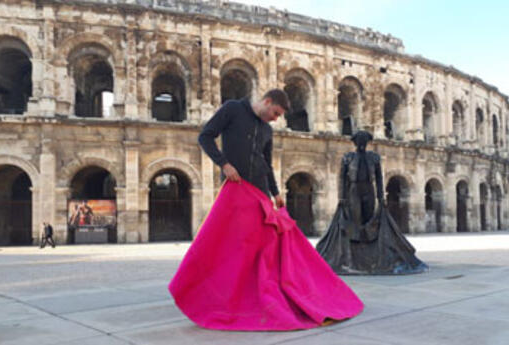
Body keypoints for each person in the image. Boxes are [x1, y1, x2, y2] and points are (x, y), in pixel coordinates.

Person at [169, 90, 363, 331]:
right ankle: (208, 292)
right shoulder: (232, 108)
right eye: (275, 113)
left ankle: (257, 292)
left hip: (259, 193)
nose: (275, 119)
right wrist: (224, 164)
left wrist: (275, 192)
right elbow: (205, 137)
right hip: (237, 189)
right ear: (267, 102)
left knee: (264, 246)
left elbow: (266, 163)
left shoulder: (267, 130)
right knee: (231, 245)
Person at [316, 130, 428, 275]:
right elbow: (342, 179)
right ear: (355, 143)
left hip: (369, 189)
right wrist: (342, 197)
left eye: (364, 141)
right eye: (359, 141)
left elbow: (379, 178)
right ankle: (355, 251)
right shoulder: (348, 157)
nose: (361, 144)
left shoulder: (374, 158)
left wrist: (381, 197)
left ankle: (368, 248)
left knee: (369, 218)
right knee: (355, 219)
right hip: (354, 189)